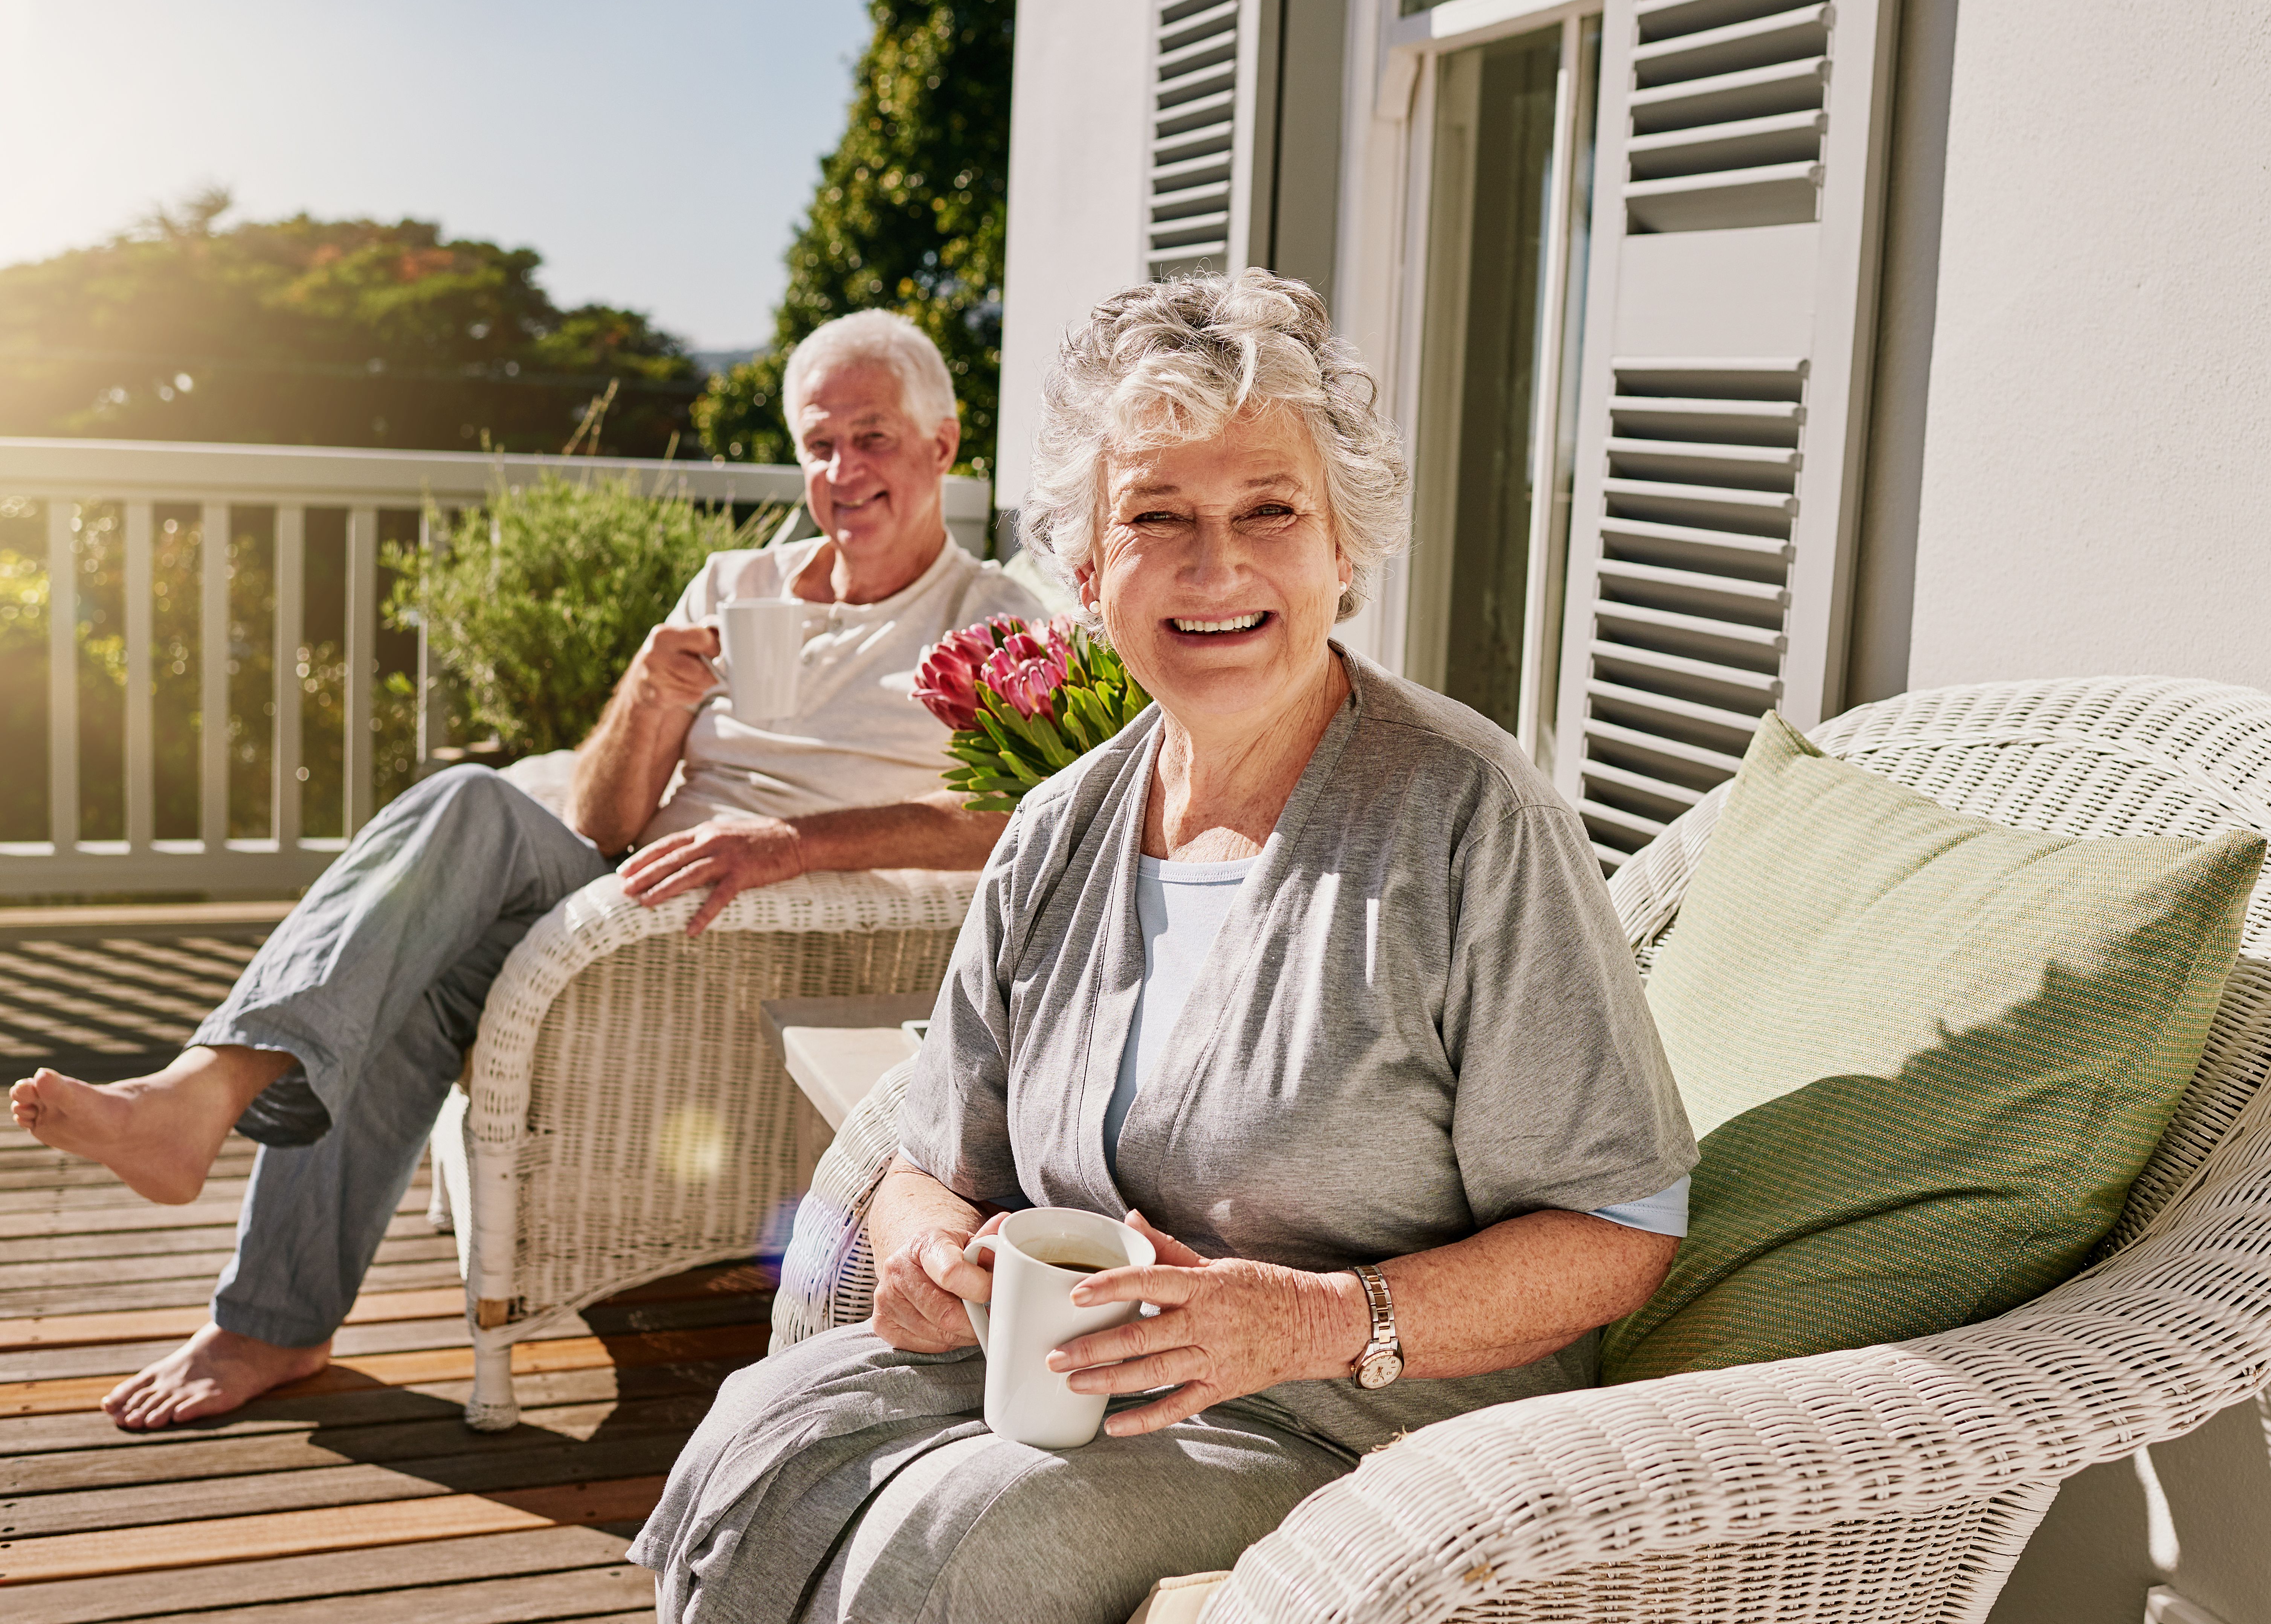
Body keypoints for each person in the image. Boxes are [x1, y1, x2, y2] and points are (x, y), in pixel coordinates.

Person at [630, 270, 1700, 1624]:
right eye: (1158, 517)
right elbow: (928, 1163)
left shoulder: (1471, 825)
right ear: (1089, 569)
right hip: (1070, 1379)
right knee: (757, 1429)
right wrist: (923, 1253)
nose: (1217, 567)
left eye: (1270, 511)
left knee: (955, 1544)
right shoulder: (1058, 827)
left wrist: (1315, 1318)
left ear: (1342, 553)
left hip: (1362, 1422)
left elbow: (1621, 1229)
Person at [8, 310, 1043, 1430]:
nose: (843, 472)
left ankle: (216, 1138)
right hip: (617, 896)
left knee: (440, 880)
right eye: (818, 443)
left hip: (751, 935)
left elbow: (1017, 815)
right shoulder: (736, 584)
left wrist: (793, 844)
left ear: (942, 445)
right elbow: (604, 820)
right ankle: (267, 1309)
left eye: (873, 438)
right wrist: (650, 695)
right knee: (433, 885)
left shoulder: (992, 618)